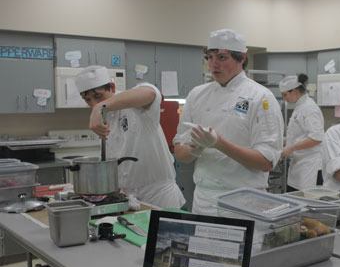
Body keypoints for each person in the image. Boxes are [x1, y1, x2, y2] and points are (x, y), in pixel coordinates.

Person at [173, 28, 284, 215]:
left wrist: (219, 144)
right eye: (209, 57)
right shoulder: (197, 95)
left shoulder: (261, 97)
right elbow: (180, 153)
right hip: (203, 200)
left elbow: (266, 162)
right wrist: (196, 148)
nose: (213, 64)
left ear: (241, 58)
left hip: (243, 202)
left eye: (222, 58)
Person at [74, 65, 185, 208]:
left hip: (159, 196)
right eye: (88, 100)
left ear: (112, 87)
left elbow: (150, 93)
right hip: (129, 200)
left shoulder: (135, 104)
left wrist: (99, 107)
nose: (94, 103)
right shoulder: (103, 120)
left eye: (98, 96)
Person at [279, 74, 324, 192]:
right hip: (299, 164)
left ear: (294, 91)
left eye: (285, 95)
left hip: (309, 167)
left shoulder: (309, 108)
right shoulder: (300, 107)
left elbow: (316, 138)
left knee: (306, 202)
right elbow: (299, 134)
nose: (284, 98)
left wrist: (291, 148)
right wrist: (282, 141)